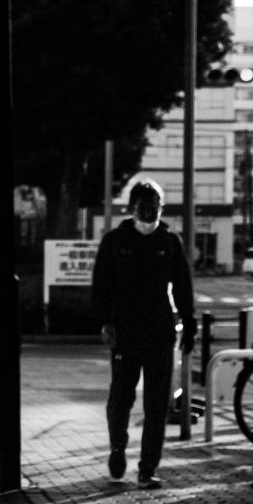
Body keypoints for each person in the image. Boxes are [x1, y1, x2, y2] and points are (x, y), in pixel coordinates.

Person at [91, 178, 197, 488]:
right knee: (120, 398)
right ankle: (117, 449)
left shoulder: (169, 242)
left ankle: (147, 467)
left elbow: (183, 286)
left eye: (156, 207)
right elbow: (101, 286)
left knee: (157, 404)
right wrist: (105, 322)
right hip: (125, 331)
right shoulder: (115, 241)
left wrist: (189, 323)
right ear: (132, 208)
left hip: (160, 332)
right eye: (144, 207)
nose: (150, 213)